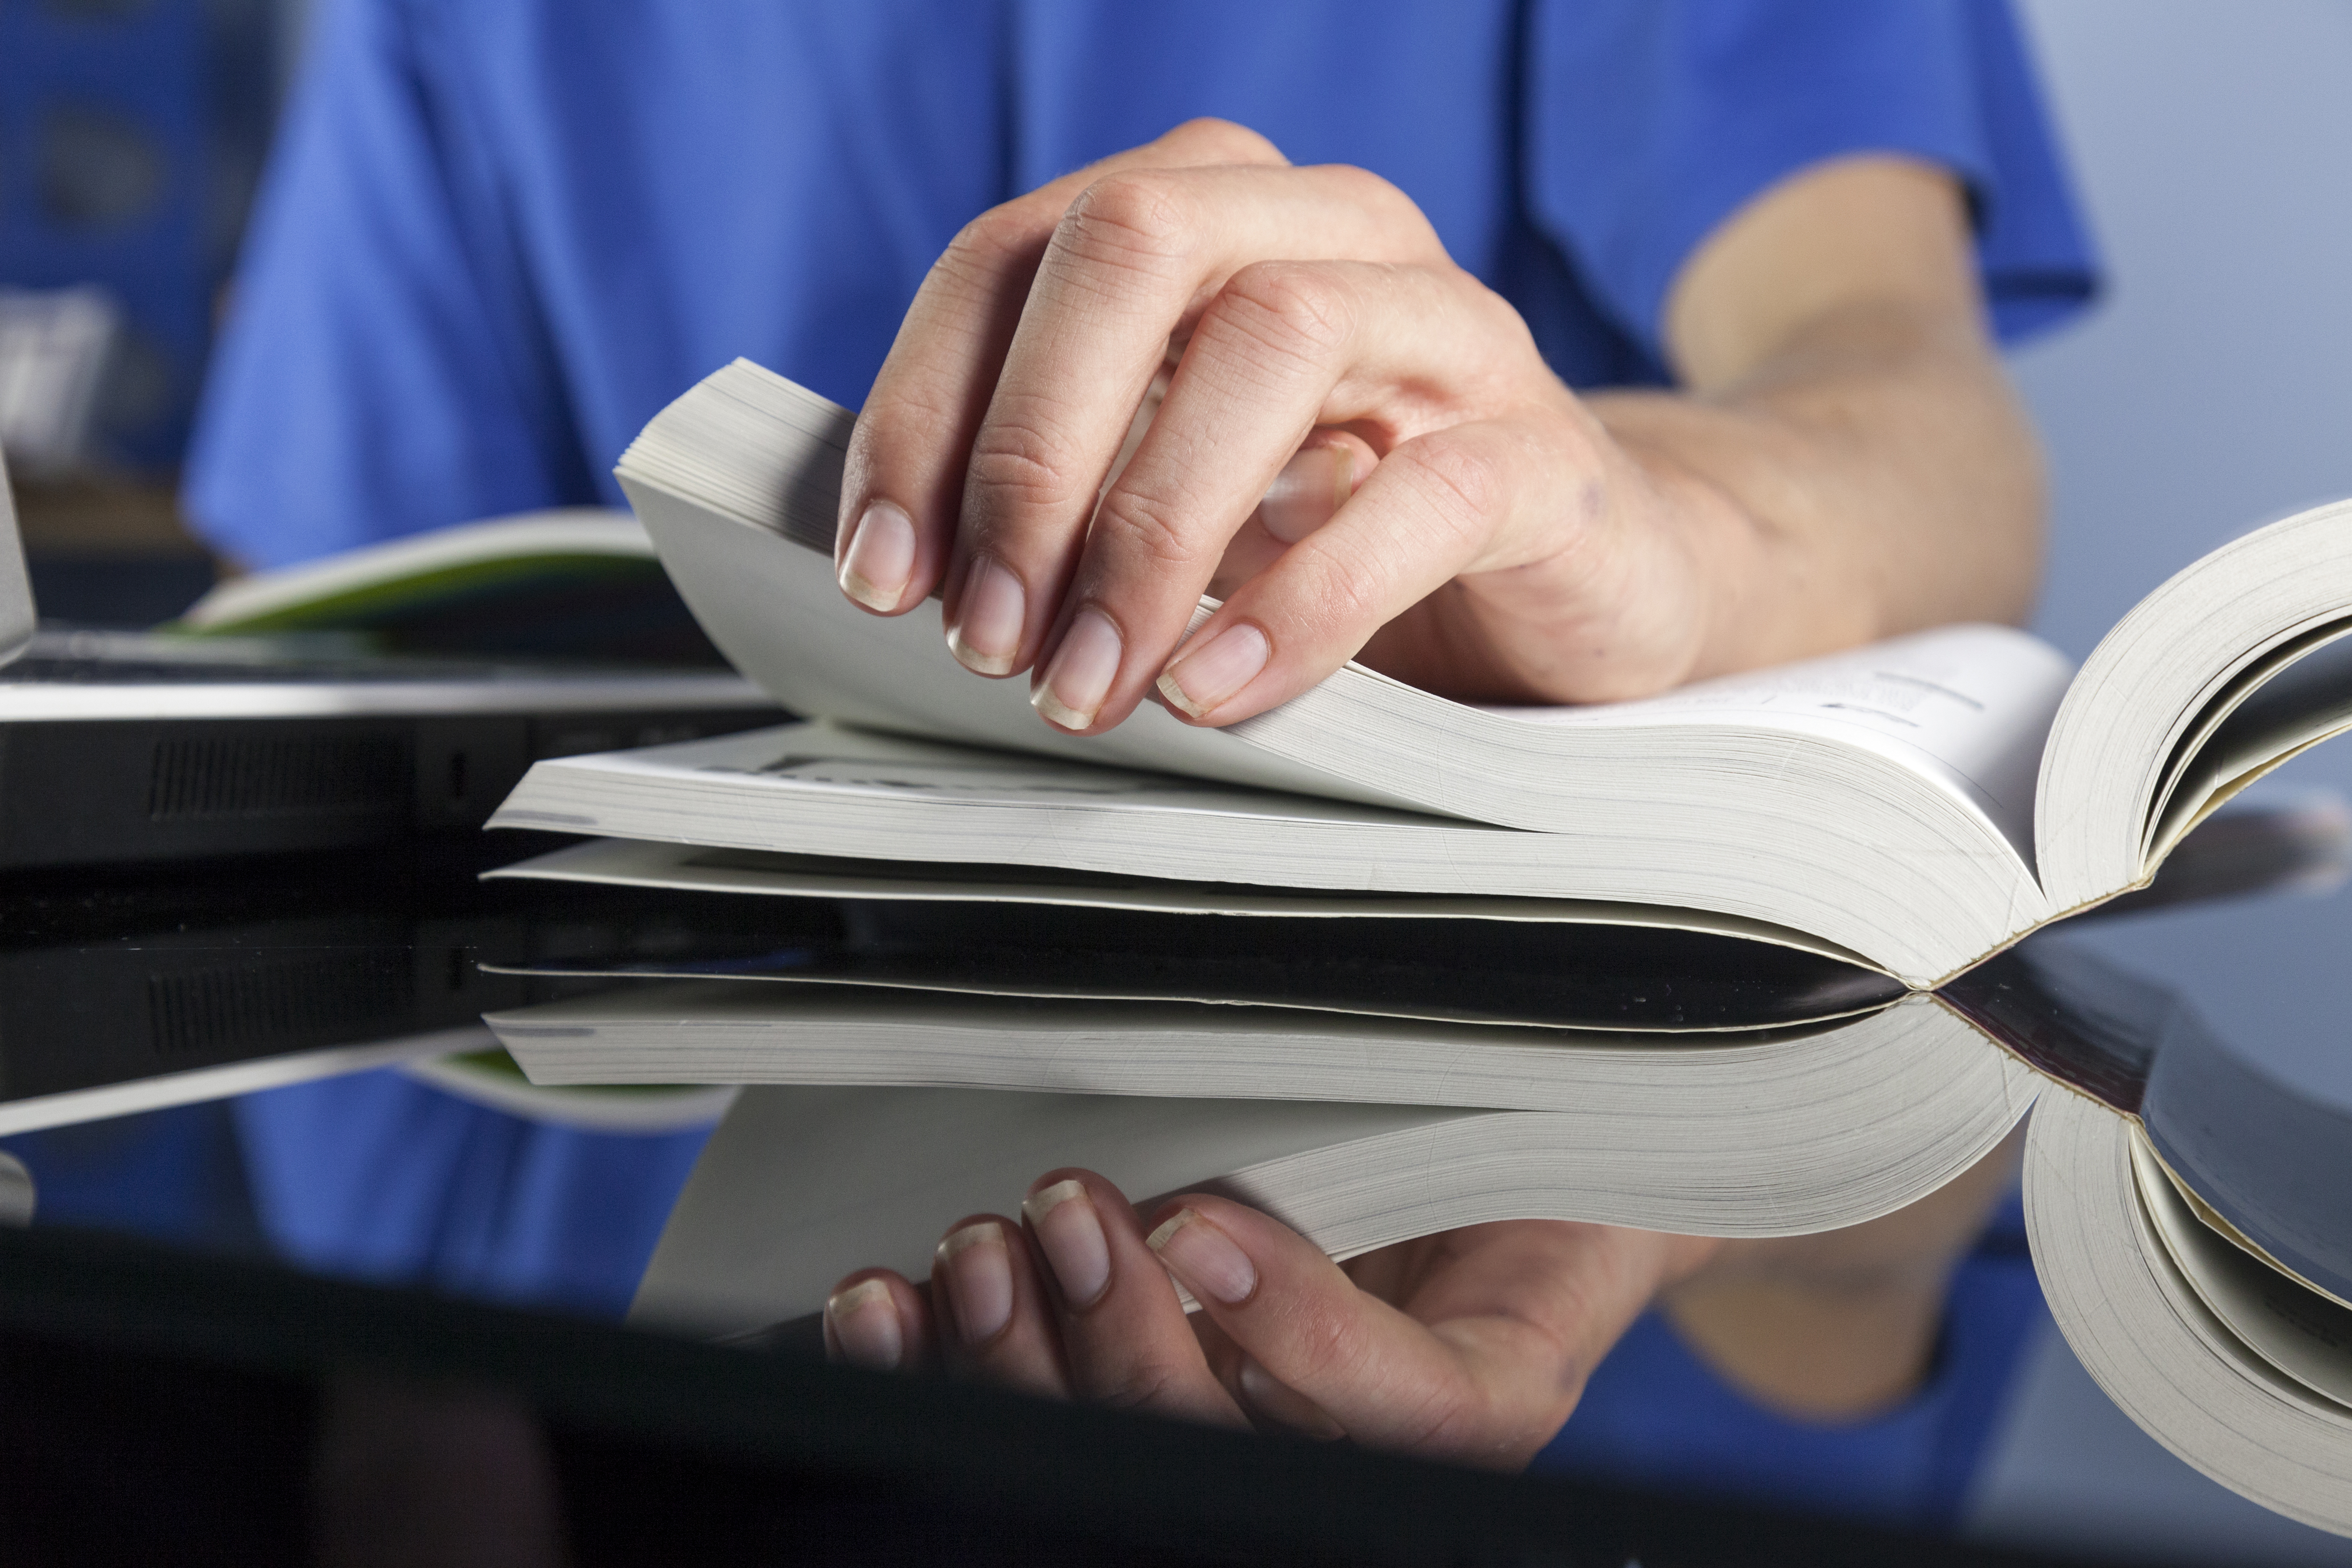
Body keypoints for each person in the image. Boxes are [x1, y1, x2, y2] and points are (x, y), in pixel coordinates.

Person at [182, 0, 2096, 1528]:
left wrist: (1656, 532)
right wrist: (410, 1444)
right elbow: (344, 669)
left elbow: (1901, 384)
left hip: (1561, 1318)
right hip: (678, 1294)